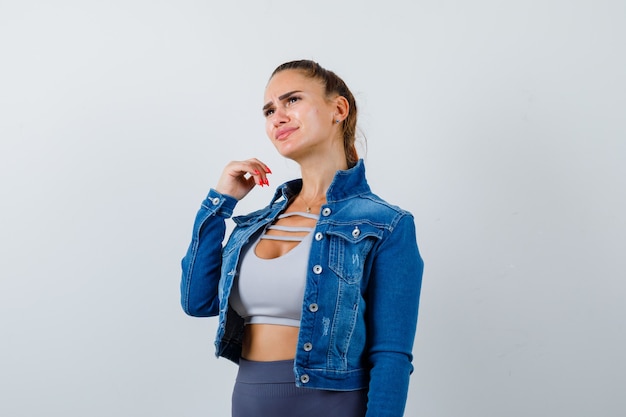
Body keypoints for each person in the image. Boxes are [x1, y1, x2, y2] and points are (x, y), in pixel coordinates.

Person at [180, 60, 424, 417]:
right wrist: (220, 203)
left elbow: (391, 355)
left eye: (291, 100)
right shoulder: (253, 225)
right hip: (249, 402)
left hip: (334, 405)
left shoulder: (386, 224)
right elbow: (196, 302)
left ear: (338, 109)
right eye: (269, 110)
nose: (277, 116)